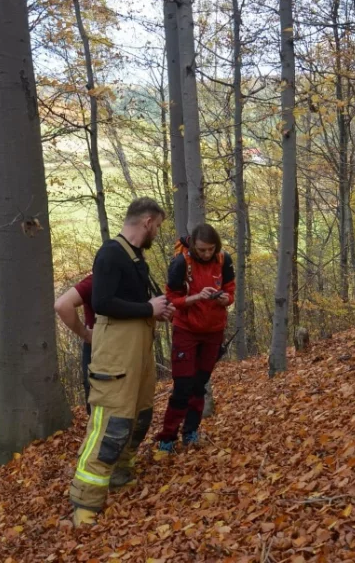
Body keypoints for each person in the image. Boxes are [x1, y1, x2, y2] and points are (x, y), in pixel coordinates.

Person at [69, 197, 174, 527]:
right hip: (115, 353)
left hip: (138, 349)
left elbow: (129, 301)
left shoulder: (135, 257)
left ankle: (120, 473)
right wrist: (148, 309)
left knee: (140, 414)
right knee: (110, 424)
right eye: (157, 226)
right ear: (147, 222)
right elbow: (102, 302)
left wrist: (155, 310)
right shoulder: (111, 253)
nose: (157, 232)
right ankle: (85, 505)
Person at [156, 223, 235, 453]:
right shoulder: (181, 263)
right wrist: (196, 297)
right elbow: (171, 299)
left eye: (210, 249)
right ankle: (167, 437)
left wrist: (225, 299)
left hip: (213, 330)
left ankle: (190, 431)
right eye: (202, 250)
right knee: (183, 385)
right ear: (193, 247)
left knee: (199, 384)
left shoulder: (224, 260)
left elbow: (231, 289)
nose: (206, 254)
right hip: (186, 330)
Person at [54, 274, 95, 413]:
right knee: (97, 403)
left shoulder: (137, 277)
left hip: (129, 350)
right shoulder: (97, 279)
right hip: (97, 347)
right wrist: (86, 334)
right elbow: (62, 305)